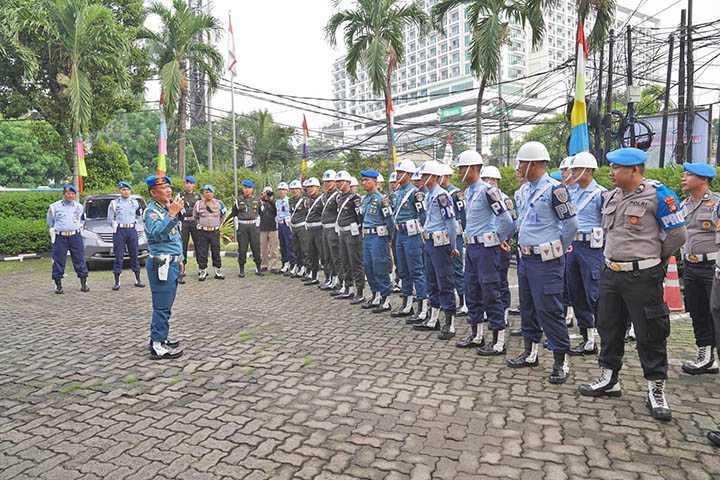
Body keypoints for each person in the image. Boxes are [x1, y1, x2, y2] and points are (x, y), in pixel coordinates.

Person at [578, 147, 687, 421]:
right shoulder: (612, 195)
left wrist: (654, 258)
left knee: (650, 332)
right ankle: (609, 378)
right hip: (611, 273)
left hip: (642, 275)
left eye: (616, 168)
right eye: (611, 168)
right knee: (609, 326)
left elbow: (678, 234)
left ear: (635, 170)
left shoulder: (658, 195)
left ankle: (656, 388)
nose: (611, 173)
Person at [508, 141, 578, 385]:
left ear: (534, 164)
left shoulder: (554, 190)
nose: (517, 168)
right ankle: (530, 352)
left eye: (521, 163)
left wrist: (556, 248)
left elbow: (571, 226)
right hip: (525, 259)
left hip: (546, 260)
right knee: (527, 306)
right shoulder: (524, 190)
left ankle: (561, 361)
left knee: (550, 309)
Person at [454, 151, 514, 354]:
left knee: (491, 292)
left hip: (486, 250)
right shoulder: (469, 191)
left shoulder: (489, 191)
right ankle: (477, 334)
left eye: (463, 168)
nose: (460, 171)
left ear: (473, 168)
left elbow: (506, 221)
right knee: (472, 290)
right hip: (471, 248)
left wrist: (499, 239)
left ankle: (498, 340)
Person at [564, 152, 606, 356]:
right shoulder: (570, 193)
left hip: (592, 249)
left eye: (575, 169)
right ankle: (588, 338)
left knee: (595, 294)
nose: (572, 173)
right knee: (577, 293)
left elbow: (609, 224)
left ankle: (606, 338)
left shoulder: (601, 194)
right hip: (573, 247)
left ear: (588, 170)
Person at [413, 160, 459, 340]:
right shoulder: (429, 195)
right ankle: (434, 318)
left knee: (444, 282)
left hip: (441, 244)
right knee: (431, 281)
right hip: (429, 242)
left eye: (425, 176)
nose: (422, 179)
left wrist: (453, 246)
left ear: (434, 177)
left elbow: (450, 223)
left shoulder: (442, 196)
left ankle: (450, 322)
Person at [681, 163, 720, 374]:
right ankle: (705, 356)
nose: (683, 177)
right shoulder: (683, 205)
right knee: (697, 311)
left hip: (712, 267)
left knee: (716, 312)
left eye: (689, 175)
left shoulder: (716, 204)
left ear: (703, 179)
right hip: (691, 265)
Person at [143, 174, 184, 360]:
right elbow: (158, 234)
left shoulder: (166, 208)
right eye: (163, 188)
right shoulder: (151, 212)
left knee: (166, 305)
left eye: (169, 187)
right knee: (161, 306)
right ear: (153, 193)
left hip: (172, 262)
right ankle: (157, 345)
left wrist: (180, 258)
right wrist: (172, 214)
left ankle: (161, 338)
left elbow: (175, 238)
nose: (168, 190)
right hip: (161, 262)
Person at [392, 160, 429, 322]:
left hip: (413, 236)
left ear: (409, 174)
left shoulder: (416, 194)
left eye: (401, 173)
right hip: (400, 234)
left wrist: (420, 232)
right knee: (403, 270)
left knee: (417, 271)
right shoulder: (399, 192)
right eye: (398, 172)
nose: (398, 175)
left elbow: (423, 216)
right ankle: (407, 304)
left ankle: (423, 308)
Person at [480, 165, 516, 326]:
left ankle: (504, 311)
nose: (490, 182)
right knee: (487, 281)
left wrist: (505, 239)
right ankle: (491, 311)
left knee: (501, 280)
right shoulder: (480, 196)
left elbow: (511, 222)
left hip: (501, 244)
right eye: (486, 179)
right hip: (486, 245)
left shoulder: (505, 199)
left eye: (493, 179)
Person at [360, 170, 394, 312]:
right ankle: (376, 295)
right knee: (368, 266)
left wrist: (390, 239)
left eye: (366, 180)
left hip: (378, 237)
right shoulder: (365, 199)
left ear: (374, 181)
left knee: (379, 266)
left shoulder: (382, 199)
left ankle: (386, 299)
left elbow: (389, 221)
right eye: (362, 180)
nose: (364, 183)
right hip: (367, 237)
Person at [47, 184, 89, 294]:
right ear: (64, 194)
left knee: (80, 259)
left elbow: (82, 220)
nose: (70, 195)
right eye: (68, 193)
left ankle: (84, 284)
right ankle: (58, 286)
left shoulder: (79, 207)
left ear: (75, 195)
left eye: (72, 193)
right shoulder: (54, 207)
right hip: (60, 237)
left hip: (75, 236)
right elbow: (50, 222)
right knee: (59, 260)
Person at [439, 163, 468, 316]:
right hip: (444, 235)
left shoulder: (456, 193)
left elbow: (463, 214)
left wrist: (462, 232)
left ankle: (463, 302)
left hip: (456, 234)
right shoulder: (439, 193)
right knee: (447, 270)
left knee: (457, 268)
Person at [107, 181, 144, 290]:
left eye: (127, 189)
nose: (126, 191)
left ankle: (138, 280)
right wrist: (114, 226)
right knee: (119, 256)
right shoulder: (114, 203)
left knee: (135, 254)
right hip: (120, 231)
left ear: (130, 191)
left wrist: (137, 224)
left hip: (132, 230)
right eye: (123, 189)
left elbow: (140, 215)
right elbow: (110, 218)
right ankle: (117, 282)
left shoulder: (135, 203)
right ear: (120, 191)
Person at [334, 170, 365, 303]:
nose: (338, 184)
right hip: (342, 232)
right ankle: (348, 288)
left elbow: (360, 217)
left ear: (348, 182)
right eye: (337, 182)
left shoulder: (355, 198)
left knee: (355, 263)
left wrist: (358, 229)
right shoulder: (339, 198)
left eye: (341, 181)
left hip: (353, 234)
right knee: (344, 261)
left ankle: (360, 291)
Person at [193, 184, 226, 280]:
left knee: (216, 251)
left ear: (213, 193)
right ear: (203, 193)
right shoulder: (198, 204)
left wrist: (219, 224)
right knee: (202, 251)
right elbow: (195, 216)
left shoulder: (219, 203)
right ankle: (203, 271)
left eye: (209, 192)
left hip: (214, 231)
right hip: (203, 232)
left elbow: (223, 214)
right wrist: (200, 224)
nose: (207, 194)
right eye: (206, 192)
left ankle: (218, 271)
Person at [230, 180, 262, 277]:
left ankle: (258, 268)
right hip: (242, 226)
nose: (247, 190)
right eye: (245, 188)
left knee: (256, 248)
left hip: (253, 226)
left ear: (252, 189)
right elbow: (234, 214)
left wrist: (258, 224)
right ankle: (241, 269)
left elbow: (260, 213)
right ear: (243, 189)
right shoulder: (238, 200)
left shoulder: (257, 200)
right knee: (242, 248)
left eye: (249, 188)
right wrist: (237, 227)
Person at [320, 170, 342, 290]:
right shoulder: (325, 196)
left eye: (329, 181)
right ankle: (331, 278)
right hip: (325, 228)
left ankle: (339, 279)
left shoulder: (337, 195)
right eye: (325, 182)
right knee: (326, 255)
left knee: (336, 256)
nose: (327, 184)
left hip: (333, 228)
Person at [178, 176, 201, 284]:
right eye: (187, 183)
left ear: (194, 185)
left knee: (198, 244)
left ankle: (201, 267)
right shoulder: (180, 195)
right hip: (184, 222)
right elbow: (177, 208)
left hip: (195, 222)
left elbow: (200, 209)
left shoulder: (198, 196)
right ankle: (182, 269)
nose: (188, 185)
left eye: (190, 183)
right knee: (183, 245)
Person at [302, 177, 324, 285]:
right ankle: (313, 275)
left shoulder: (323, 199)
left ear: (318, 188)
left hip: (319, 229)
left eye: (312, 187)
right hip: (310, 229)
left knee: (323, 254)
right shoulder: (308, 200)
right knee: (311, 253)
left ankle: (330, 278)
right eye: (308, 187)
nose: (310, 189)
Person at [288, 180, 309, 278]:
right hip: (294, 227)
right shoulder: (290, 200)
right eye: (292, 189)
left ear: (300, 190)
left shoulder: (305, 200)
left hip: (302, 226)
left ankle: (305, 267)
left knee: (304, 248)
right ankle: (298, 265)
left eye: (296, 189)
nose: (294, 191)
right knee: (296, 248)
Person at [259, 186, 281, 274]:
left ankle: (274, 265)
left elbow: (277, 211)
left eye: (269, 192)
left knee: (274, 248)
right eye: (266, 192)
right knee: (263, 248)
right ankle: (264, 264)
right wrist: (262, 199)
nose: (267, 194)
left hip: (273, 227)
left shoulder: (274, 202)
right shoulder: (260, 202)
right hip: (263, 227)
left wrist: (270, 199)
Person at [275, 182, 295, 274]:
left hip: (287, 224)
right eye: (280, 190)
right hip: (280, 224)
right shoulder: (277, 202)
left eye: (283, 190)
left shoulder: (290, 201)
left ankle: (292, 264)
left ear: (287, 191)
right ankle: (285, 263)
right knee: (282, 244)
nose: (281, 192)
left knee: (289, 244)